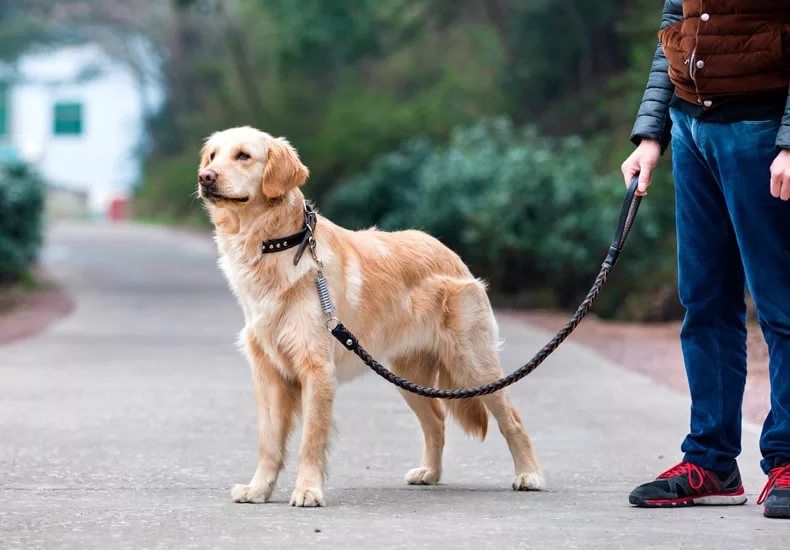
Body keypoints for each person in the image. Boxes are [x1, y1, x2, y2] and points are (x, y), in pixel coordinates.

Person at [622, 0, 790, 518]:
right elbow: (675, 26)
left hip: (761, 126)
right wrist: (652, 134)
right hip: (690, 126)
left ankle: (786, 460)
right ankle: (712, 462)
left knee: (781, 306)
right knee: (705, 302)